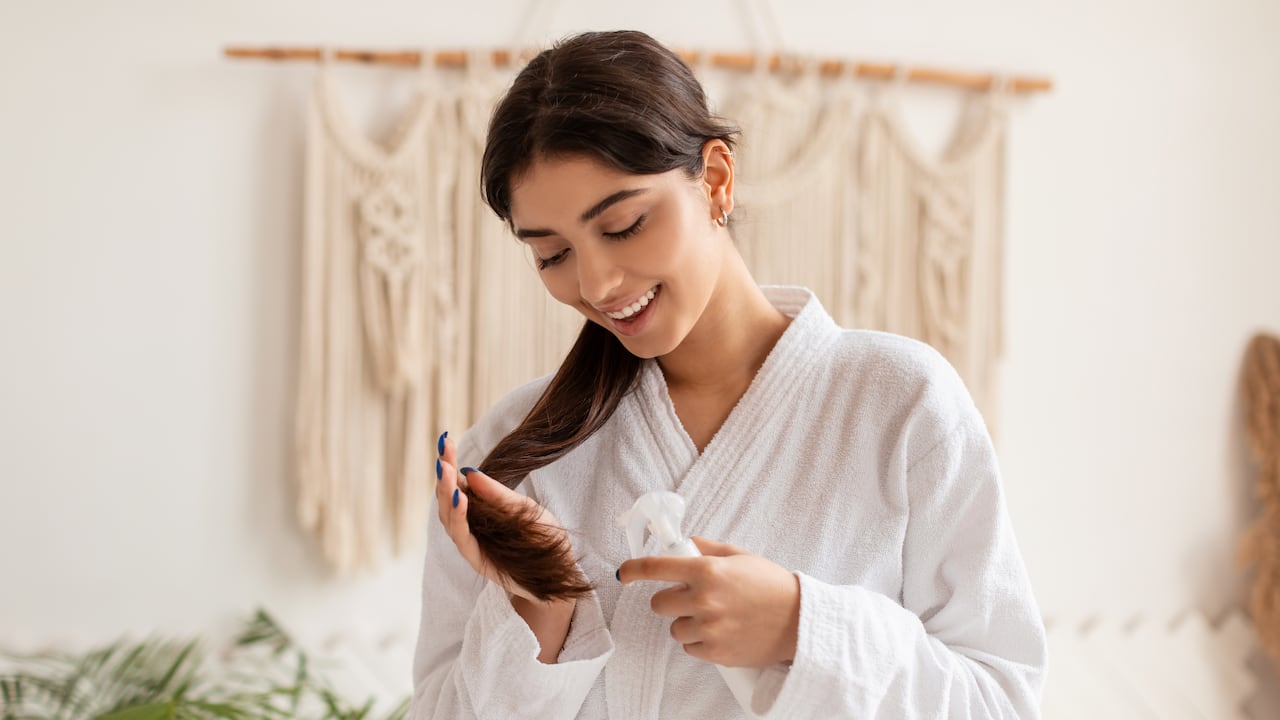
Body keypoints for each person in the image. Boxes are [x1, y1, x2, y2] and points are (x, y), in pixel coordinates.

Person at [410, 29, 1047, 720]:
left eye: (622, 225)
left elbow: (1001, 703)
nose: (596, 282)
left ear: (715, 179)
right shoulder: (511, 451)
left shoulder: (901, 404)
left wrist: (805, 629)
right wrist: (545, 609)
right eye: (553, 254)